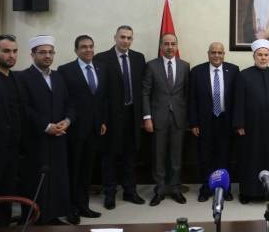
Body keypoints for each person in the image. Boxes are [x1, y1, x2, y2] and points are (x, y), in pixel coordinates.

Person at [18, 35, 73, 225]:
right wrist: (46, 126)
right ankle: (33, 218)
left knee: (56, 177)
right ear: (32, 55)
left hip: (59, 136)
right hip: (36, 138)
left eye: (50, 52)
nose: (47, 56)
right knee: (35, 179)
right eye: (42, 52)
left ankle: (52, 216)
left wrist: (67, 121)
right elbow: (24, 108)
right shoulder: (22, 77)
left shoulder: (58, 76)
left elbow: (69, 104)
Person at [94, 25, 146, 209]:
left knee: (130, 156)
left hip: (132, 115)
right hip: (111, 117)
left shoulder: (139, 58)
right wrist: (101, 119)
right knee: (110, 157)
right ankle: (110, 193)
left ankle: (130, 191)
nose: (125, 41)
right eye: (122, 37)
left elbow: (142, 89)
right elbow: (99, 92)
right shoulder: (101, 58)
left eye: (129, 38)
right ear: (115, 37)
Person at [58, 35, 107, 224]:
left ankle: (83, 205)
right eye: (84, 47)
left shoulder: (101, 68)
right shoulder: (65, 70)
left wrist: (102, 121)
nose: (88, 50)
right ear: (76, 50)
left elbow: (102, 99)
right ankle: (70, 208)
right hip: (75, 129)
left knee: (87, 170)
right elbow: (64, 100)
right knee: (74, 170)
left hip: (94, 129)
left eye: (91, 46)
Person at [233, 39, 269, 203]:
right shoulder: (243, 75)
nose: (263, 58)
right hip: (250, 126)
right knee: (250, 158)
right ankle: (247, 192)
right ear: (254, 56)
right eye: (260, 55)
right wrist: (239, 123)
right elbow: (238, 101)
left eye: (266, 55)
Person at [142, 34, 190, 206]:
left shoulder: (185, 66)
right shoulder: (151, 65)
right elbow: (145, 92)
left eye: (173, 44)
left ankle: (175, 188)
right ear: (161, 46)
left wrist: (188, 118)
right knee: (159, 155)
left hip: (178, 118)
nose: (170, 47)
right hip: (158, 118)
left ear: (177, 46)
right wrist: (147, 117)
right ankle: (160, 189)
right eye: (166, 44)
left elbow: (187, 93)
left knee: (176, 156)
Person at [188, 42, 239, 202]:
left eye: (220, 52)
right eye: (213, 52)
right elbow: (192, 99)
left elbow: (237, 99)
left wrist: (237, 122)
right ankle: (206, 188)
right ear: (208, 53)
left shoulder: (233, 70)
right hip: (205, 121)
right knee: (206, 157)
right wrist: (193, 123)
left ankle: (225, 188)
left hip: (226, 121)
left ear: (224, 54)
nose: (217, 55)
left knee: (225, 156)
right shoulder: (197, 71)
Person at [0, 35, 23, 227]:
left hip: (12, 149)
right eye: (6, 51)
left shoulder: (16, 79)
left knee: (7, 191)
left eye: (14, 51)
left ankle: (4, 224)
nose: (11, 55)